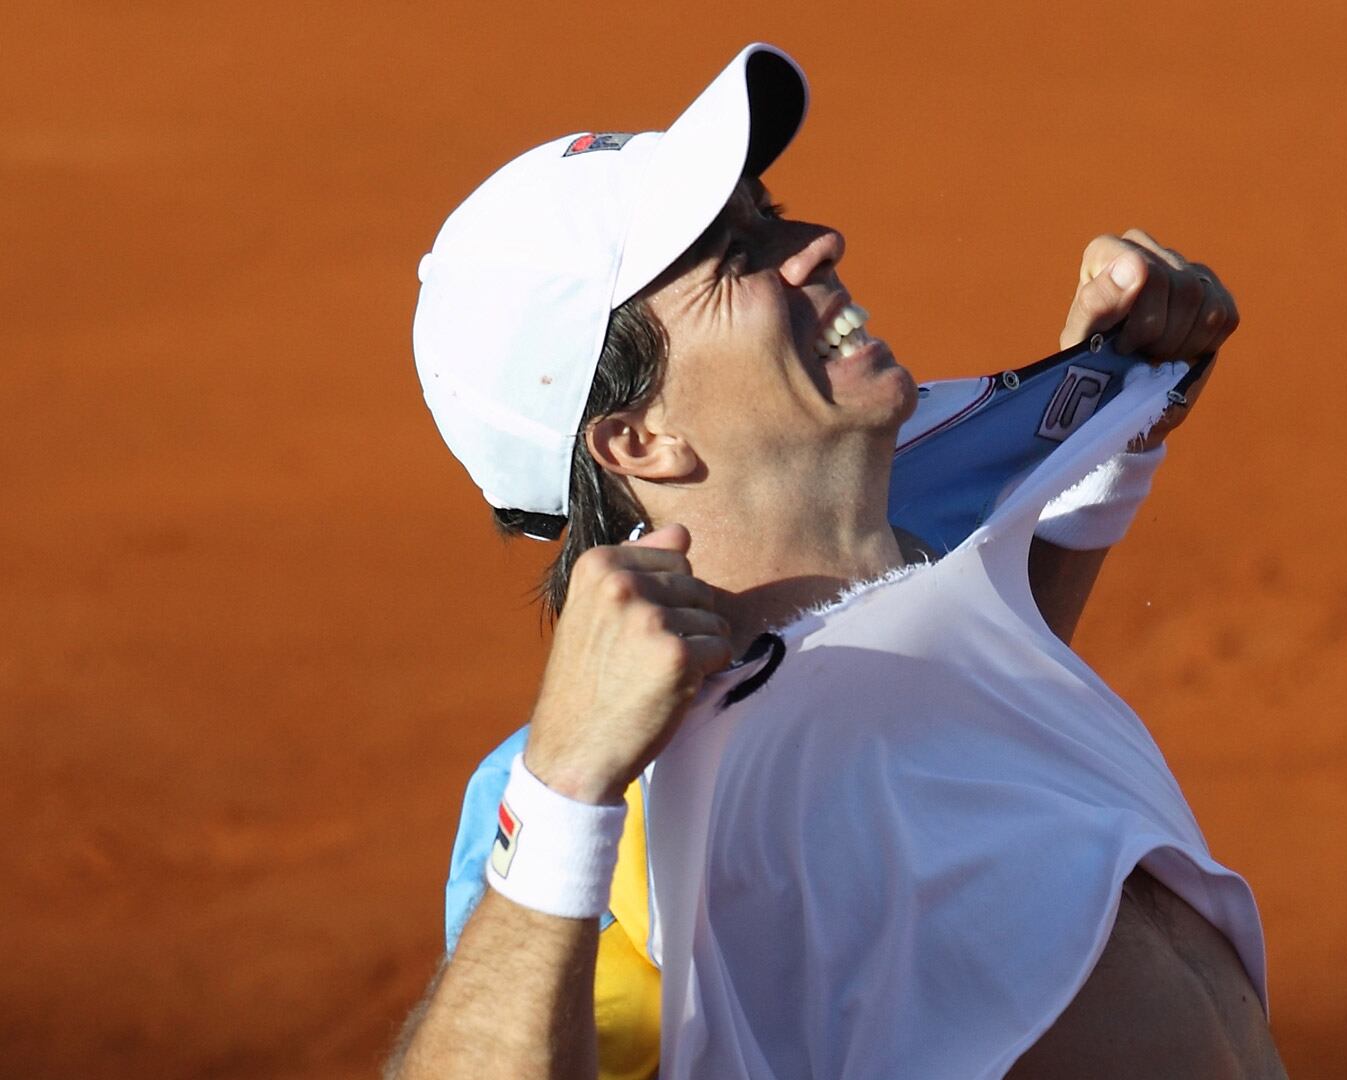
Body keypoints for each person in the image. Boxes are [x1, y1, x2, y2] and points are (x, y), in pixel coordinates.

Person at [390, 42, 1281, 1080]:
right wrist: (563, 783)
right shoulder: (618, 799)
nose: (817, 240)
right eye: (733, 257)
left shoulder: (936, 584)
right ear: (638, 442)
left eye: (770, 214)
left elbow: (906, 745)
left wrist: (1106, 414)